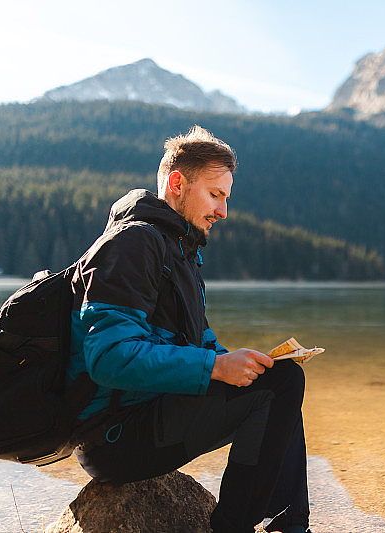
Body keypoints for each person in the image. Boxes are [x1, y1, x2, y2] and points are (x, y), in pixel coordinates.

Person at [66, 125, 311, 533]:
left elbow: (201, 343)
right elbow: (108, 358)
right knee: (281, 386)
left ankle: (286, 523)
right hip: (113, 437)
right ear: (177, 184)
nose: (223, 212)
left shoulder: (179, 253)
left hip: (149, 416)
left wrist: (240, 362)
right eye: (215, 195)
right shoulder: (131, 245)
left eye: (226, 199)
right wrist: (215, 369)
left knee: (278, 378)